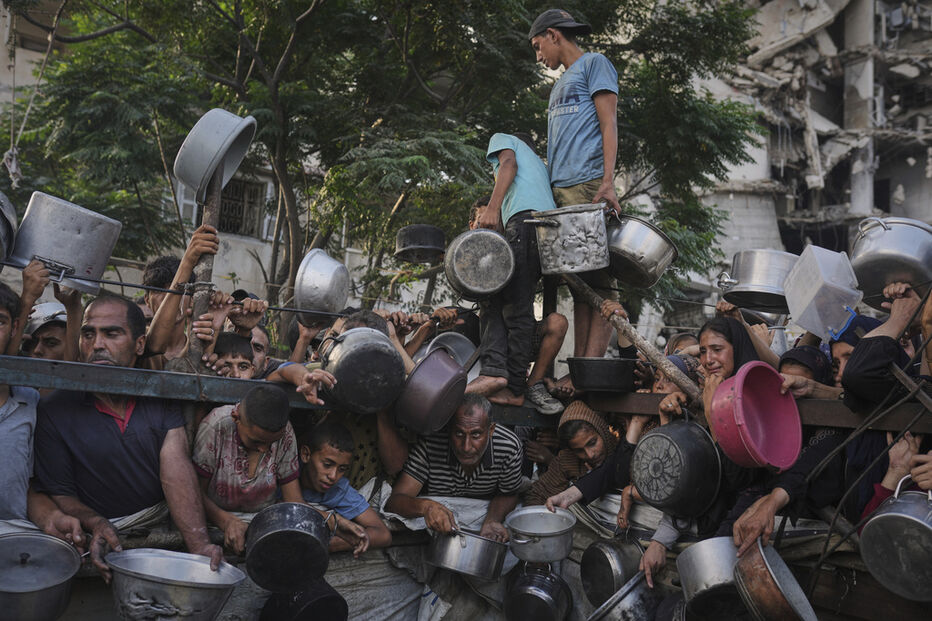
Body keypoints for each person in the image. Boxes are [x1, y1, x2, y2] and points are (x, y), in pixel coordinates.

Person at [34, 295, 222, 581]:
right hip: (97, 539)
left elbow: (175, 471)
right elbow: (62, 495)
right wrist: (96, 522)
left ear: (139, 344)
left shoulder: (158, 399)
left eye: (112, 333)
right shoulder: (54, 408)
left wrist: (200, 545)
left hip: (161, 532)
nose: (97, 344)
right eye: (88, 334)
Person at [529, 8, 620, 363]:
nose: (539, 56)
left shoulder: (594, 63)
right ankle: (581, 365)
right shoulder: (559, 85)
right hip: (560, 190)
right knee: (579, 285)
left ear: (554, 35)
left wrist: (608, 182)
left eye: (539, 46)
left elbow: (608, 123)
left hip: (589, 184)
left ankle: (592, 363)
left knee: (599, 281)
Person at [468, 132, 561, 416]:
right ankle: (497, 371)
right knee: (498, 299)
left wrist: (494, 208)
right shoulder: (541, 169)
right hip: (546, 232)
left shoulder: (504, 141)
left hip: (525, 223)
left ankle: (512, 387)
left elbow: (508, 164)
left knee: (517, 312)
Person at [0, 281, 83, 543]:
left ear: (13, 329)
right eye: (33, 343)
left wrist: (51, 519)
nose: (38, 351)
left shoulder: (29, 403)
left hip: (12, 543)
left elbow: (28, 488)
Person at [384, 394, 524, 542]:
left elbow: (508, 493)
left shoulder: (509, 447)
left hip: (483, 516)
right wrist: (426, 508)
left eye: (476, 435)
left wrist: (492, 520)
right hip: (434, 526)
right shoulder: (431, 442)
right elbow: (395, 501)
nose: (466, 446)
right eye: (459, 434)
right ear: (449, 429)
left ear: (491, 430)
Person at [298, 421, 392, 551]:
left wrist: (333, 543)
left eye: (342, 469)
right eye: (327, 464)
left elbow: (383, 534)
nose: (333, 476)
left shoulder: (338, 489)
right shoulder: (286, 473)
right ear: (306, 455)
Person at [524, 401, 615, 505]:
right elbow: (537, 493)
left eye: (592, 443)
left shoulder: (622, 452)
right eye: (579, 450)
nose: (590, 455)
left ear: (602, 431)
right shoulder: (568, 460)